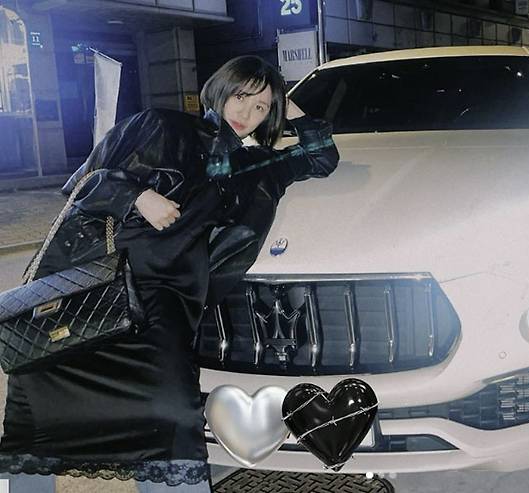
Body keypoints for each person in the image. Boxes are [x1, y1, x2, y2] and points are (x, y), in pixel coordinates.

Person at [0, 55, 340, 491]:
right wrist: (136, 196)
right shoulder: (161, 126)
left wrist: (288, 107)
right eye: (241, 96)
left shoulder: (252, 167)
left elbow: (320, 157)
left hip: (163, 304)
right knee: (36, 419)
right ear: (220, 90)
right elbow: (85, 182)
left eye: (260, 108)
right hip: (92, 291)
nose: (247, 112)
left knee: (174, 416)